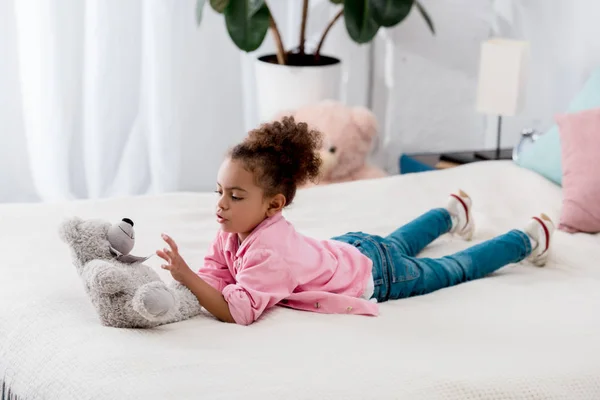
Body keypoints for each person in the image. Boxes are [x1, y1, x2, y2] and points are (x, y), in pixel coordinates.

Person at [156, 117, 555, 326]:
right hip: (353, 248)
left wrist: (185, 276)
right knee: (397, 241)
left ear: (274, 205)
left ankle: (527, 238)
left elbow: (239, 311)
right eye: (219, 191)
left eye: (235, 196)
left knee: (453, 268)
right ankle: (451, 213)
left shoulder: (269, 251)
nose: (221, 204)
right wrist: (191, 283)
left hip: (379, 277)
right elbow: (217, 273)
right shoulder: (233, 230)